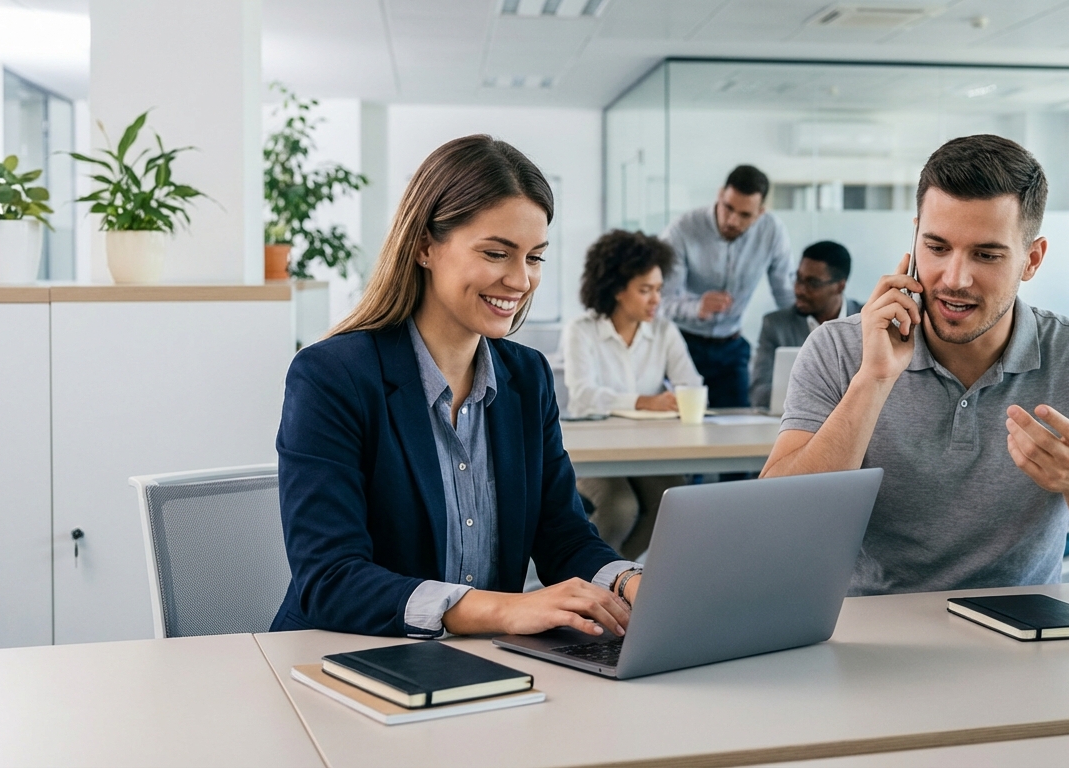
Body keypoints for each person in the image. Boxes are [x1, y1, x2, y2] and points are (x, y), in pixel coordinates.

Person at [270, 135, 642, 640]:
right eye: (496, 253)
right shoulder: (332, 376)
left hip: (482, 662)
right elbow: (329, 578)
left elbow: (563, 536)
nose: (520, 280)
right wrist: (503, 610)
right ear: (425, 245)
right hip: (349, 654)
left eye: (534, 258)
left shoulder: (526, 378)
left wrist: (627, 581)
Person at [761, 134, 1069, 596]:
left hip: (1022, 640)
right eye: (936, 248)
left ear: (1031, 259)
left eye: (986, 255)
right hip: (867, 635)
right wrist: (872, 380)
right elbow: (778, 530)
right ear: (915, 237)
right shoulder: (836, 348)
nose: (955, 279)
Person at [561, 230, 702, 559]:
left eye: (658, 290)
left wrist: (681, 397)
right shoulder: (582, 330)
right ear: (617, 289)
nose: (656, 299)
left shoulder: (665, 331)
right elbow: (583, 397)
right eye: (645, 290)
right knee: (620, 506)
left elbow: (691, 385)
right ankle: (591, 577)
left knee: (674, 499)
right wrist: (644, 401)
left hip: (646, 449)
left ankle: (619, 576)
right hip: (593, 450)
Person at [659, 165, 794, 407]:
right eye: (728, 208)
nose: (732, 220)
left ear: (760, 212)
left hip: (731, 346)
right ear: (720, 195)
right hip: (682, 345)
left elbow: (785, 294)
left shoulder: (772, 231)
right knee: (678, 426)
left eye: (745, 215)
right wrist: (697, 307)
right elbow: (660, 301)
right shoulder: (683, 229)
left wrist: (819, 334)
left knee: (738, 427)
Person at [749, 241, 863, 411]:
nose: (799, 290)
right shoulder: (776, 325)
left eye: (813, 283)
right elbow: (759, 394)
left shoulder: (868, 321)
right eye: (798, 279)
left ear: (840, 286)